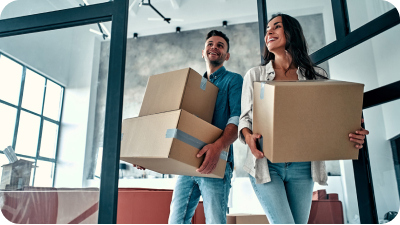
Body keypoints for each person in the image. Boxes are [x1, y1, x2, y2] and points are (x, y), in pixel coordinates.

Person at [238, 13, 370, 224]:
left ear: (292, 33)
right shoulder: (255, 75)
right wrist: (249, 137)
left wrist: (350, 129)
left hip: (303, 167)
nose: (269, 32)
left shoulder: (316, 75)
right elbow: (245, 119)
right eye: (267, 30)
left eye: (276, 27)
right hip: (266, 164)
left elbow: (329, 118)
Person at [135, 30, 243, 224]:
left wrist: (217, 147)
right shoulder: (193, 85)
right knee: (176, 220)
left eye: (220, 45)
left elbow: (236, 120)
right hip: (187, 162)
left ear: (227, 56)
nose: (214, 47)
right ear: (203, 52)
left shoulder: (233, 80)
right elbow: (173, 122)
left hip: (216, 162)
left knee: (215, 222)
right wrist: (148, 157)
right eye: (210, 44)